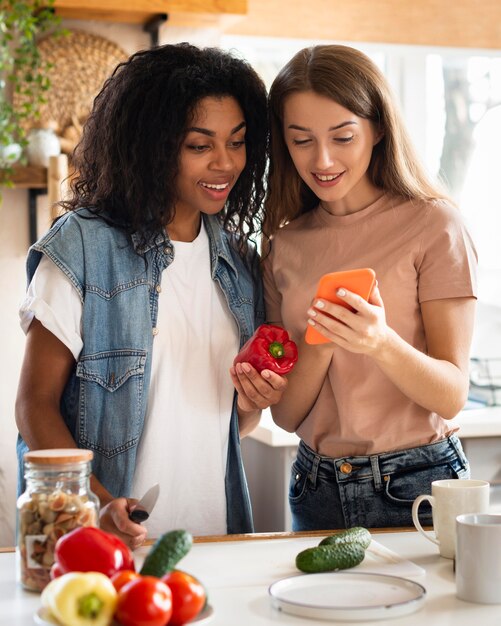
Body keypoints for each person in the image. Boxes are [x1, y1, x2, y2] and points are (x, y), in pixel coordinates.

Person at [15, 43, 286, 548]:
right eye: (199, 145)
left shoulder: (239, 262)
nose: (224, 164)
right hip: (102, 542)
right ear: (152, 146)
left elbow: (230, 422)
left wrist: (254, 402)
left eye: (237, 141)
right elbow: (34, 405)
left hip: (211, 536)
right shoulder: (83, 246)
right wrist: (94, 503)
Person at [262, 44, 477, 531]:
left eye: (343, 137)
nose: (322, 160)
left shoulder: (435, 226)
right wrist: (320, 341)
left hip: (417, 484)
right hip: (315, 486)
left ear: (378, 128)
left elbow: (451, 395)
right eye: (301, 140)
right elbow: (287, 415)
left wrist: (379, 342)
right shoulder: (284, 245)